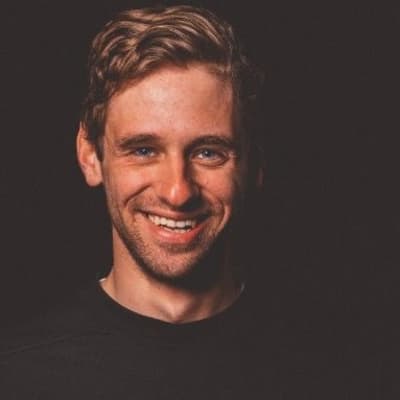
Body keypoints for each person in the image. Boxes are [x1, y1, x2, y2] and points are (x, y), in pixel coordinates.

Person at [0, 5, 355, 399]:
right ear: (89, 154)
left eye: (208, 153)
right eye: (143, 150)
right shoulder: (17, 375)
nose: (177, 192)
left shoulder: (338, 374)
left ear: (255, 164)